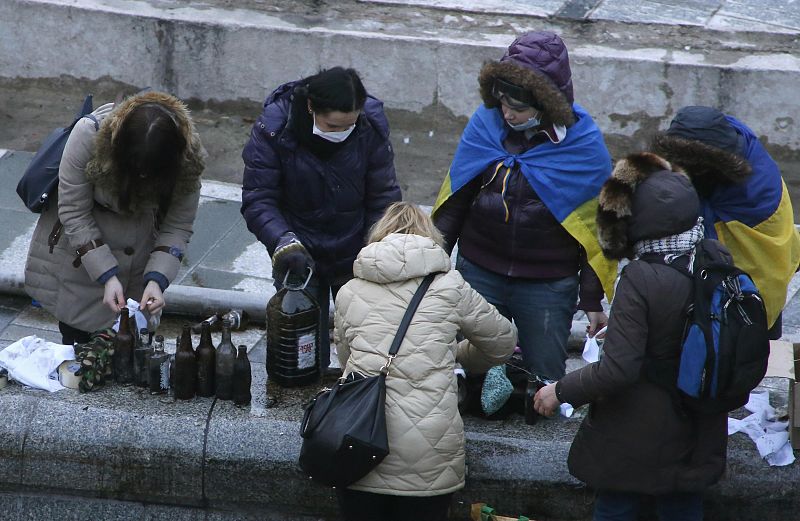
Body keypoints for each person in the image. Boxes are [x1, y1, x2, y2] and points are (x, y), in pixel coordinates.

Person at [534, 153, 728, 521]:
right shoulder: (713, 257)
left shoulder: (641, 278)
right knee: (681, 508)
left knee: (616, 508)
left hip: (639, 431)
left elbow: (618, 369)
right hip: (698, 425)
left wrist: (560, 390)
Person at [432, 31, 617, 382]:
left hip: (547, 284)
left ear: (547, 105)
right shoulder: (485, 125)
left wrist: (592, 300)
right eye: (502, 103)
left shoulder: (584, 146)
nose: (507, 114)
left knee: (545, 376)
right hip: (479, 271)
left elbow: (597, 231)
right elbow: (454, 201)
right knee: (469, 370)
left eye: (518, 108)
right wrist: (430, 264)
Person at [334, 202, 517, 521]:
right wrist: (457, 355)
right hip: (430, 451)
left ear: (378, 236)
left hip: (359, 442)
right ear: (430, 237)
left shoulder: (349, 291)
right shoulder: (451, 286)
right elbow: (503, 342)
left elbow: (347, 362)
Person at [241, 67, 401, 374]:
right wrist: (283, 241)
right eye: (333, 126)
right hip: (298, 253)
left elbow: (383, 197)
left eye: (350, 125)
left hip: (356, 250)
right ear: (311, 106)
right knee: (301, 353)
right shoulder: (275, 129)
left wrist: (375, 246)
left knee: (368, 351)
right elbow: (259, 198)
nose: (342, 132)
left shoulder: (370, 127)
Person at [25, 91, 205, 345]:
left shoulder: (187, 158)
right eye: (135, 169)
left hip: (139, 261)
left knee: (133, 347)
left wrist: (157, 279)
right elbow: (74, 212)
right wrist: (107, 275)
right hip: (81, 260)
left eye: (151, 173)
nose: (142, 178)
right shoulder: (88, 135)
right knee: (78, 349)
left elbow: (177, 226)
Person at [650, 106, 800, 338]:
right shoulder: (736, 140)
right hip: (774, 261)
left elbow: (703, 236)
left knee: (746, 324)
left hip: (755, 268)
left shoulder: (744, 185)